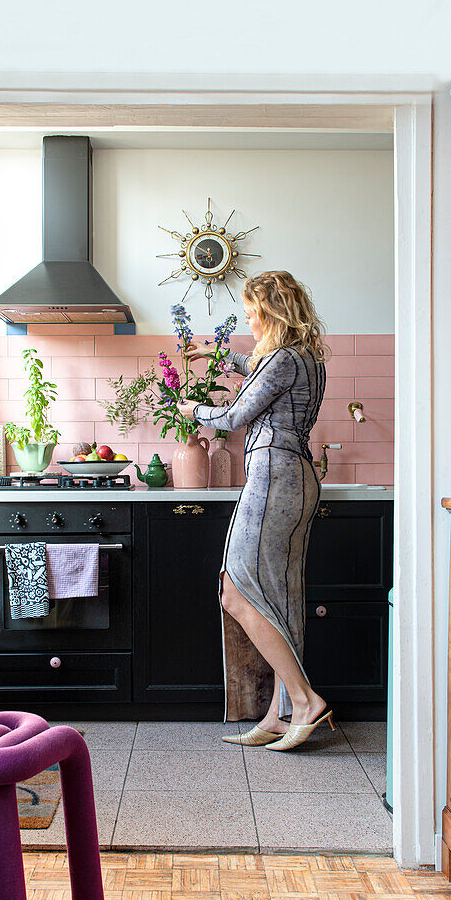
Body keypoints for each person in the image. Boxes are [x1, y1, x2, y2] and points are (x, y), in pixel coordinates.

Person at [178, 270, 333, 752]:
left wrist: (191, 410)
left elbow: (231, 416)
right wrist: (217, 355)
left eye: (251, 313)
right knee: (280, 600)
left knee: (235, 589)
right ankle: (278, 716)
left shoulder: (283, 358)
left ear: (270, 311)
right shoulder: (305, 357)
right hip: (298, 476)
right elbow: (259, 368)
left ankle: (306, 702)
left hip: (272, 478)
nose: (248, 320)